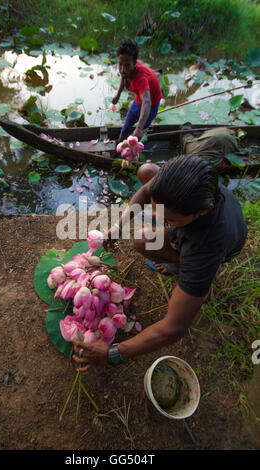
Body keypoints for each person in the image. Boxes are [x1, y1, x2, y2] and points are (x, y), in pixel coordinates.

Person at [73, 155, 247, 370]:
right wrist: (118, 227)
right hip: (195, 222)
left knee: (144, 240)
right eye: (158, 212)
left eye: (170, 220)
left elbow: (174, 328)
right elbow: (148, 190)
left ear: (205, 210)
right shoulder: (193, 181)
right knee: (147, 171)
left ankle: (179, 263)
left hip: (216, 247)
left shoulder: (204, 246)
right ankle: (175, 236)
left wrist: (113, 353)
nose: (159, 219)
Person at [112, 38, 163, 143]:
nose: (122, 69)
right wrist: (117, 95)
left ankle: (133, 153)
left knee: (139, 134)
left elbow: (147, 101)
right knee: (128, 123)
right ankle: (119, 143)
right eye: (120, 64)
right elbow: (123, 77)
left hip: (151, 104)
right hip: (138, 100)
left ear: (134, 63)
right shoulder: (126, 70)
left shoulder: (141, 78)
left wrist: (139, 128)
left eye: (126, 65)